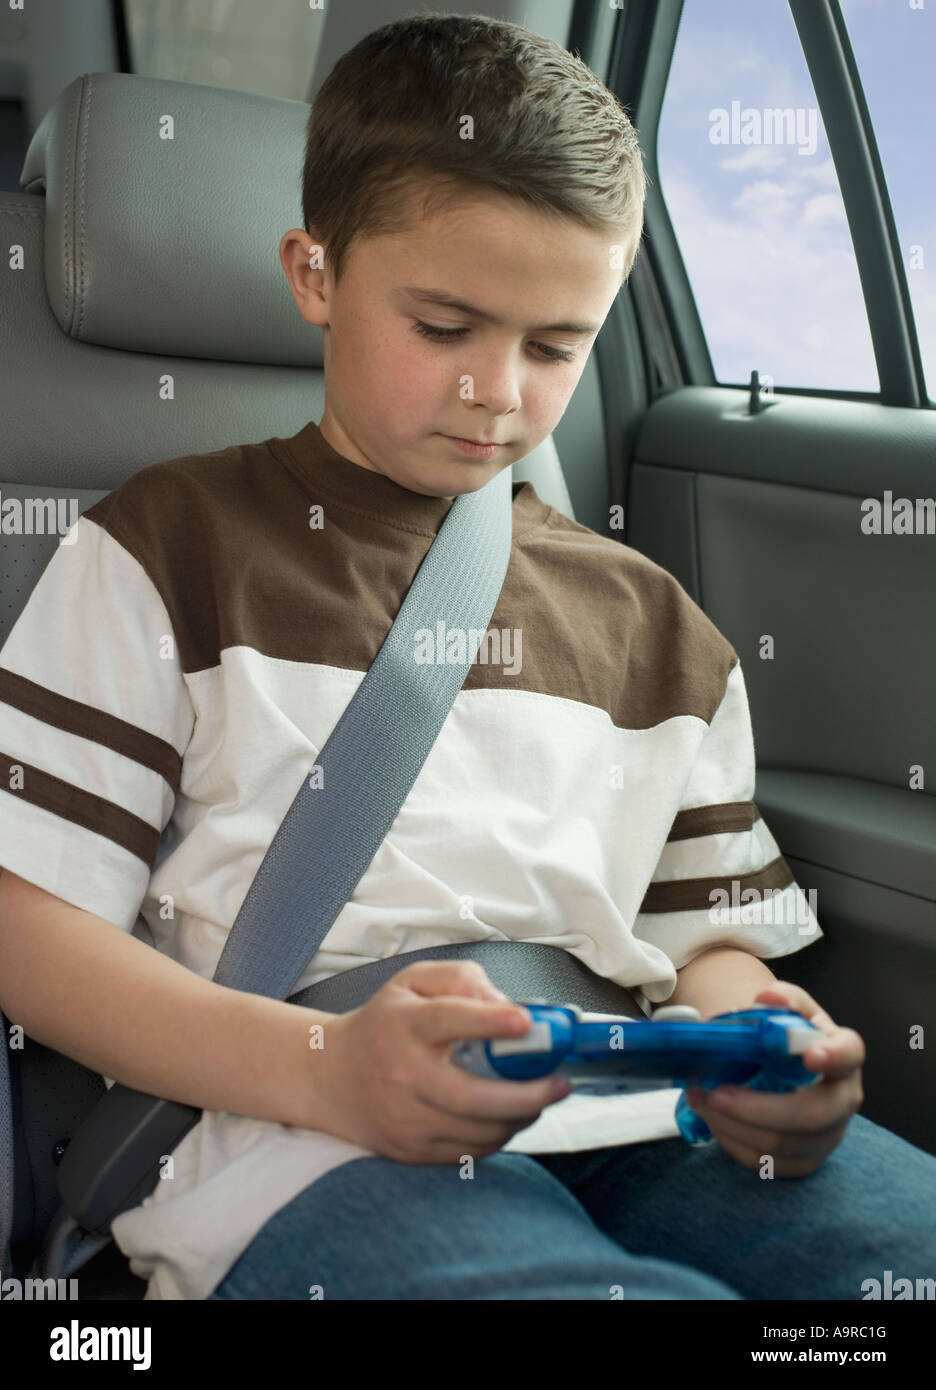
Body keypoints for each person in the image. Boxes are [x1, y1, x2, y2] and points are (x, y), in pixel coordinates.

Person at [0, 12, 933, 1303]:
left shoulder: (661, 629)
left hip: (647, 1121)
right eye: (445, 326)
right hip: (298, 1135)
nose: (500, 390)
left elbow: (704, 942)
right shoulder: (164, 549)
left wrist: (762, 1036)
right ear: (316, 275)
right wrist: (325, 1064)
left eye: (556, 347)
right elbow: (27, 929)